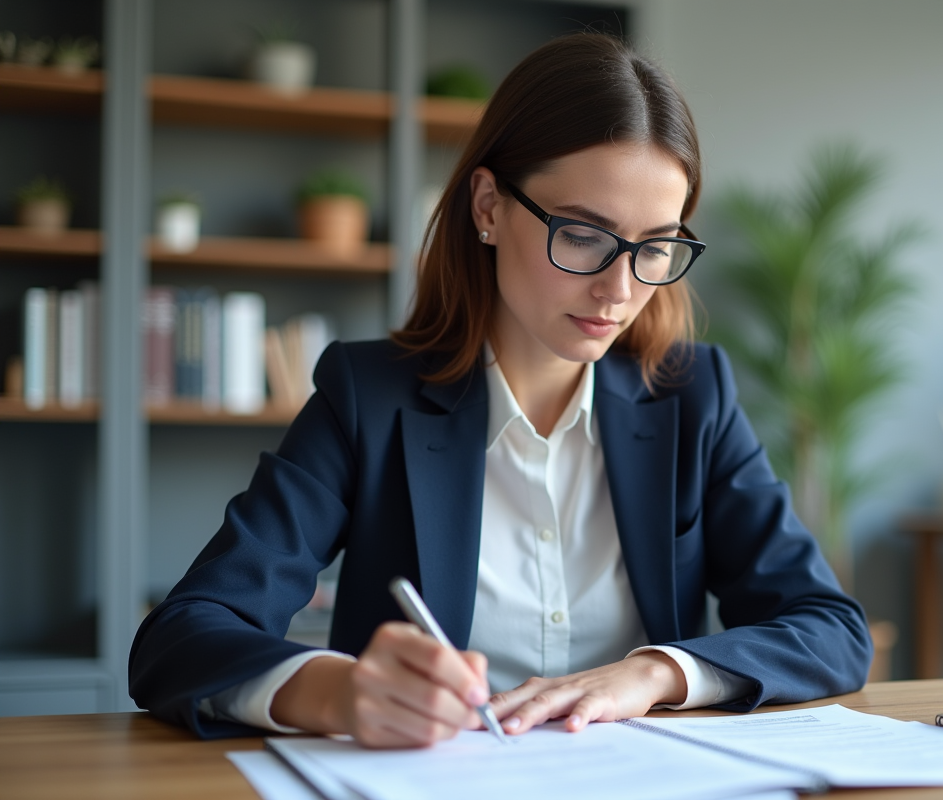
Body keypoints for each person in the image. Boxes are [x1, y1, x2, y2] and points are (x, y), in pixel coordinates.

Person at [128, 32, 872, 746]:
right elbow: (181, 636)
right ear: (488, 206)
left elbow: (830, 629)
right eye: (582, 234)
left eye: (655, 247)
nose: (619, 289)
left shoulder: (693, 398)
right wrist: (339, 692)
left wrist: (656, 672)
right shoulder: (367, 397)